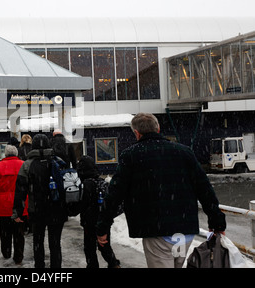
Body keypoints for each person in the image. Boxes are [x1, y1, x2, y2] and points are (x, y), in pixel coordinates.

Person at [96, 112, 226, 268]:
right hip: (185, 230)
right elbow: (205, 188)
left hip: (157, 230)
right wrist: (217, 222)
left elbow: (114, 195)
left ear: (137, 133)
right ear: (158, 129)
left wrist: (103, 226)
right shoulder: (184, 152)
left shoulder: (131, 156)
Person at [13, 133, 68, 268]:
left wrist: (18, 212)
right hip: (57, 209)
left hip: (37, 210)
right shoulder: (58, 162)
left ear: (33, 146)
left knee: (38, 241)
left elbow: (20, 190)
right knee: (55, 243)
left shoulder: (27, 165)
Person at [77, 155, 121, 268]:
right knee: (105, 246)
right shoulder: (103, 183)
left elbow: (82, 205)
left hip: (90, 223)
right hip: (104, 221)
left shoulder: (86, 184)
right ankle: (114, 264)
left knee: (89, 249)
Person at [0, 145, 27, 264]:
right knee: (19, 233)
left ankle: (6, 253)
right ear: (16, 153)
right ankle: (18, 258)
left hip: (4, 205)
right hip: (20, 204)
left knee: (5, 232)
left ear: (5, 154)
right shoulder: (24, 165)